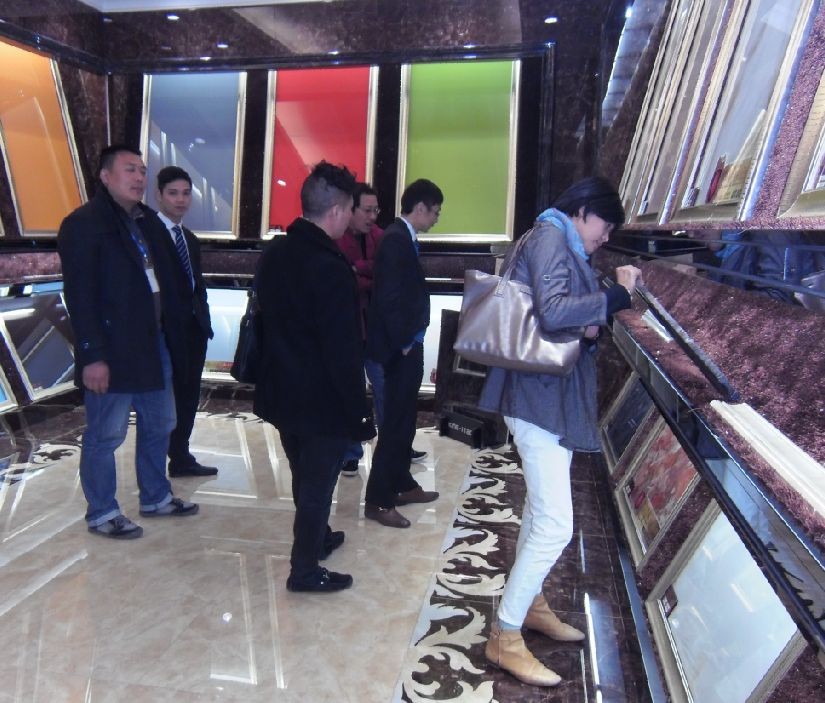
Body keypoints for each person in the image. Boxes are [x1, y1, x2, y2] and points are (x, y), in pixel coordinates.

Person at [478, 176, 642, 687]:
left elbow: (557, 313)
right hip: (537, 399)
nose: (605, 237)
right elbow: (553, 312)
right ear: (583, 210)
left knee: (539, 512)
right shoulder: (551, 237)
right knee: (555, 525)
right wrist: (615, 296)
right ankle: (504, 635)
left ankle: (532, 604)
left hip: (544, 397)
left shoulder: (553, 237)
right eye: (604, 226)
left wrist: (590, 321)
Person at [58, 145, 199, 540]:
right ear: (105, 176)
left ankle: (155, 496)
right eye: (129, 170)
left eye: (141, 170)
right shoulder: (84, 224)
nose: (138, 177)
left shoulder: (145, 221)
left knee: (161, 422)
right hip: (112, 349)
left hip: (152, 343)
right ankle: (102, 512)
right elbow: (80, 296)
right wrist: (92, 356)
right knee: (106, 433)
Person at [253, 161, 375, 593]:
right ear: (338, 211)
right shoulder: (330, 265)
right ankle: (304, 569)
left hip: (280, 388)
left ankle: (318, 537)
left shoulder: (275, 253)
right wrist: (360, 411)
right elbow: (342, 350)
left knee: (303, 473)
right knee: (317, 485)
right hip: (321, 396)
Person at [363, 179, 443, 528]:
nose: (437, 219)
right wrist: (404, 343)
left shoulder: (401, 237)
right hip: (399, 349)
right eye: (435, 212)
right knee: (395, 425)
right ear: (420, 208)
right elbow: (389, 297)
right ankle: (378, 500)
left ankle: (402, 484)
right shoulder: (395, 239)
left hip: (408, 344)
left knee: (405, 420)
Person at [154, 166, 217, 477]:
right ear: (159, 195)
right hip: (165, 330)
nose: (180, 200)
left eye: (186, 194)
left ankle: (180, 455)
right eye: (173, 193)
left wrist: (203, 320)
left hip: (193, 329)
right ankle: (158, 464)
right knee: (164, 401)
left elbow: (196, 283)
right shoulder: (149, 234)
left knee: (189, 395)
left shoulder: (188, 238)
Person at [336, 183, 385, 476]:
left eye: (375, 210)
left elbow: (387, 273)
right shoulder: (337, 237)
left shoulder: (380, 236)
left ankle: (392, 446)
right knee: (351, 391)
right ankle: (350, 452)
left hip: (376, 328)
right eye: (367, 210)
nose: (372, 217)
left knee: (384, 387)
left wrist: (360, 268)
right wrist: (366, 273)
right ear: (350, 210)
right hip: (348, 329)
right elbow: (344, 281)